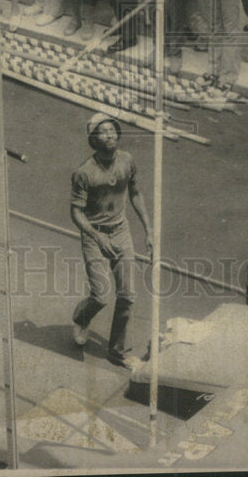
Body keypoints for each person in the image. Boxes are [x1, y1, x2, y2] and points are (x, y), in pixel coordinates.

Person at [70, 113, 153, 367]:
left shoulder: (127, 160)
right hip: (94, 235)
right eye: (103, 132)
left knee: (127, 295)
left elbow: (136, 193)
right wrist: (96, 236)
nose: (110, 135)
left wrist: (149, 230)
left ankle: (117, 352)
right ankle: (81, 318)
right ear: (94, 139)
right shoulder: (84, 173)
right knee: (102, 295)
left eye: (112, 130)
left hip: (121, 231)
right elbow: (76, 212)